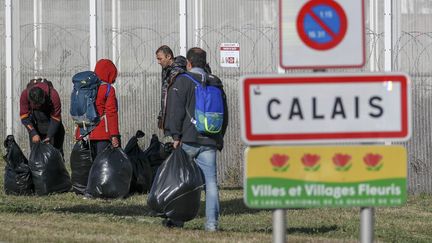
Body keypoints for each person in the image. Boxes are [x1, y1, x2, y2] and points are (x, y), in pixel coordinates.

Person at [166, 47, 228, 231]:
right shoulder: (215, 82)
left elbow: (176, 111)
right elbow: (224, 114)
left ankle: (177, 221)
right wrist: (219, 138)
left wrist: (175, 135)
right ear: (205, 62)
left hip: (187, 140)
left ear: (189, 63)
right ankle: (212, 224)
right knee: (211, 184)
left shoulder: (183, 81)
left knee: (181, 181)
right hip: (209, 140)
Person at [75, 59, 121, 155]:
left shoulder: (85, 88)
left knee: (88, 166)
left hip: (85, 132)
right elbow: (111, 113)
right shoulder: (108, 89)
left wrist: (79, 132)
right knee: (102, 165)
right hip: (102, 134)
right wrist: (114, 135)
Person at [20, 78, 65, 155]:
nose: (39, 106)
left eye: (40, 104)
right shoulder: (25, 94)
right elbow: (24, 116)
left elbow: (56, 118)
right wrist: (33, 132)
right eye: (36, 105)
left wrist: (49, 136)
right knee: (36, 154)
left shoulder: (53, 95)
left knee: (56, 154)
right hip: (36, 126)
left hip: (53, 125)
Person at [155, 45, 187, 135]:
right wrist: (162, 115)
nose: (158, 62)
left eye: (160, 59)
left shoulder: (178, 71)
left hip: (177, 120)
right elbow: (165, 95)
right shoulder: (166, 70)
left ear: (168, 57)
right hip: (169, 118)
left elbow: (177, 98)